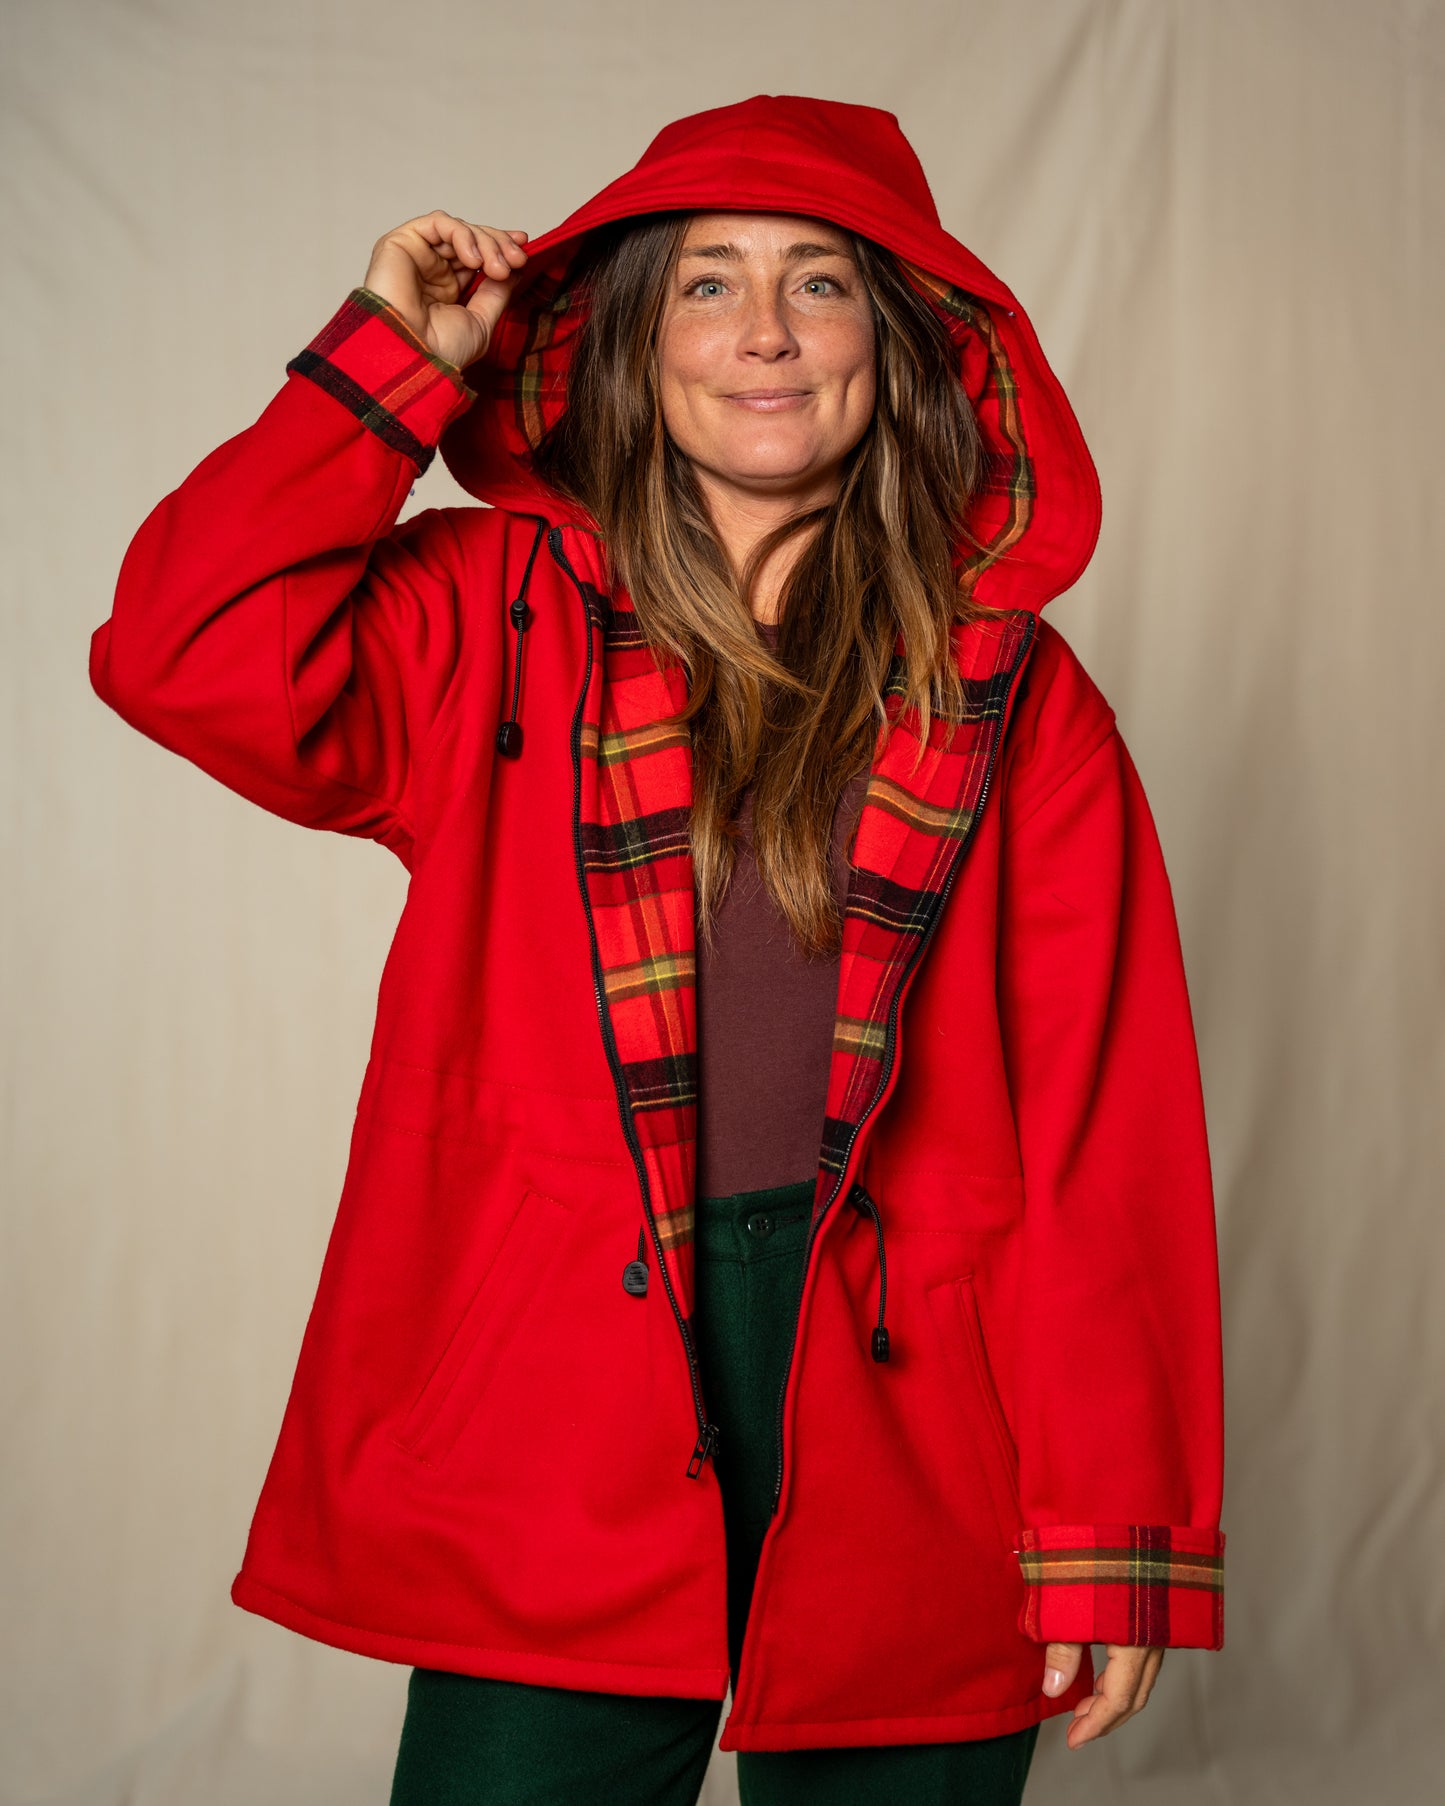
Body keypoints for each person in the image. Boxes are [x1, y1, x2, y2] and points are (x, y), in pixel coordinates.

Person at [89, 93, 1226, 1805]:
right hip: (556, 1388)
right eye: (704, 284)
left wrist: (1111, 1519)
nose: (763, 330)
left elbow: (1096, 1126)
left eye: (819, 283)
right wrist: (393, 362)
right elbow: (181, 649)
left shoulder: (1014, 700)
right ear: (630, 348)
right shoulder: (487, 615)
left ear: (900, 352)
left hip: (923, 1417)